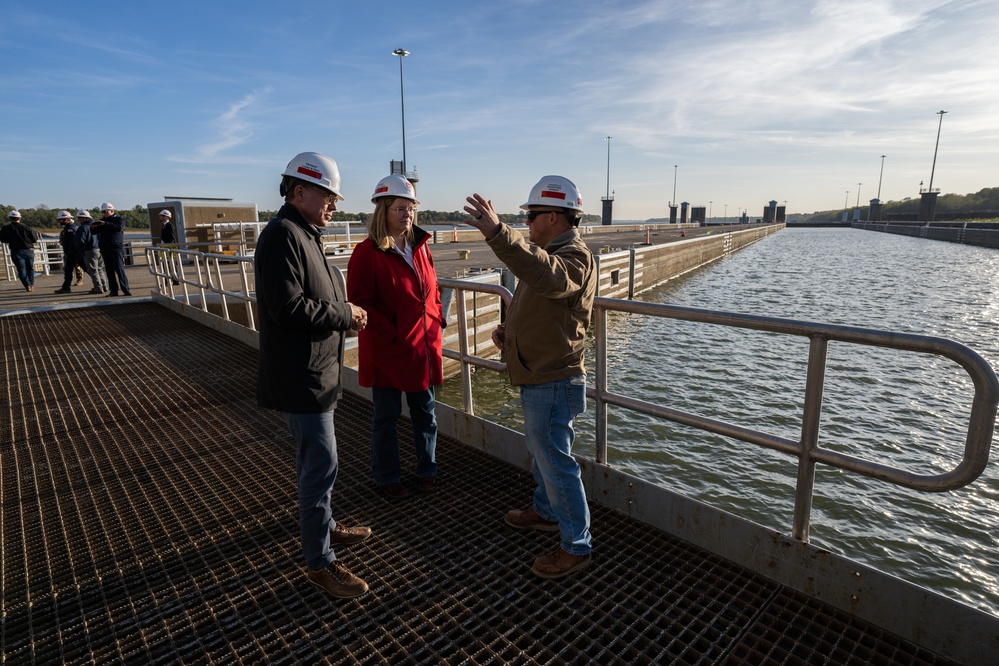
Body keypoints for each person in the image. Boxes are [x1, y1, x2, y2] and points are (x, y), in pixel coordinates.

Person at [463, 176, 596, 579]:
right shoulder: (550, 250)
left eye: (532, 215)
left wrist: (499, 234)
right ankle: (545, 511)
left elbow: (549, 277)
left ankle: (577, 545)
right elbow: (542, 305)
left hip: (554, 379)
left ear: (553, 217)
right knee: (544, 454)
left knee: (556, 461)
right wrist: (511, 334)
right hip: (540, 373)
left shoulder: (573, 257)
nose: (528, 223)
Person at [254, 151, 372, 599]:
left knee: (319, 464)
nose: (335, 205)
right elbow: (288, 308)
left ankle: (325, 528)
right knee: (320, 465)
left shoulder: (304, 232)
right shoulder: (284, 235)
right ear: (298, 191)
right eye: (328, 195)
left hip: (315, 373)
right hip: (301, 377)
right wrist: (345, 314)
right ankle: (319, 562)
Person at [347, 175, 445, 499]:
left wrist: (438, 318)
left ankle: (427, 471)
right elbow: (360, 305)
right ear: (383, 210)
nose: (408, 214)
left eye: (411, 208)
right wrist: (393, 334)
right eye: (400, 208)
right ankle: (388, 478)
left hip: (422, 347)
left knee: (425, 412)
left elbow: (433, 290)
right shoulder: (366, 253)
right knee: (386, 415)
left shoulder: (420, 247)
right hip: (389, 349)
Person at [93, 202, 130, 296]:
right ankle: (113, 291)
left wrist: (105, 224)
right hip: (105, 248)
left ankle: (126, 290)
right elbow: (94, 232)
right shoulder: (101, 221)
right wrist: (93, 227)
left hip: (116, 248)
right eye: (103, 212)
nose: (104, 213)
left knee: (119, 270)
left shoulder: (119, 219)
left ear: (112, 211)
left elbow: (119, 228)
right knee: (109, 272)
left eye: (106, 211)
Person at [1, 209, 39, 292]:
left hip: (16, 251)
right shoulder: (26, 227)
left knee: (21, 269)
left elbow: (3, 239)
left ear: (10, 218)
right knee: (30, 268)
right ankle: (31, 284)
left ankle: (27, 285)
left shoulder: (5, 228)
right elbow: (34, 239)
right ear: (20, 218)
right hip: (28, 250)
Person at [74, 210, 108, 294]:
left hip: (90, 250)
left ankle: (98, 288)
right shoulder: (97, 226)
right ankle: (104, 286)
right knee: (100, 269)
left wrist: (82, 250)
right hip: (100, 249)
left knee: (93, 270)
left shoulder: (83, 228)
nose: (78, 220)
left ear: (84, 218)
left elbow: (80, 241)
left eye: (79, 218)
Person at [54, 210, 83, 294]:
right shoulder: (69, 228)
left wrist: (70, 251)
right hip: (73, 253)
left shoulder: (70, 229)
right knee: (69, 270)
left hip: (73, 253)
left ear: (66, 219)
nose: (59, 221)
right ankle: (66, 287)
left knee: (71, 270)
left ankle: (66, 287)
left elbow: (72, 241)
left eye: (61, 220)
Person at [158, 209, 180, 285]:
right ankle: (170, 280)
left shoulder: (169, 226)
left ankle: (174, 279)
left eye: (161, 216)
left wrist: (169, 248)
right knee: (166, 264)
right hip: (164, 248)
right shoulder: (164, 226)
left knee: (171, 264)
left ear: (166, 217)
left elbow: (172, 238)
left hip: (169, 249)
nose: (160, 217)